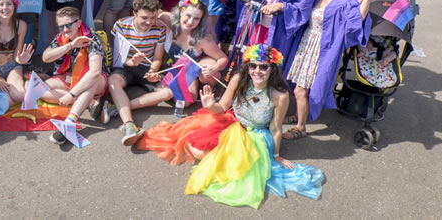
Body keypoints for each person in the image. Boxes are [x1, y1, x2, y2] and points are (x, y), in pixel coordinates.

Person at [136, 45, 324, 208]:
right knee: (193, 145)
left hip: (254, 135)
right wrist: (210, 106)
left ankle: (225, 159)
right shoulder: (239, 79)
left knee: (219, 161)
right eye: (253, 66)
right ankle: (222, 157)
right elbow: (222, 107)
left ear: (272, 69)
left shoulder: (280, 95)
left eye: (263, 67)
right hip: (231, 122)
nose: (257, 71)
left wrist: (276, 156)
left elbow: (275, 128)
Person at [283, 0, 380, 140]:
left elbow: (357, 19)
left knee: (300, 90)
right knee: (298, 85)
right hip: (306, 44)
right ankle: (299, 114)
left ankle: (300, 127)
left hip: (322, 49)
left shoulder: (344, 3)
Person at [104, 0, 167, 144]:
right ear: (134, 12)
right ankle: (129, 125)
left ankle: (116, 107)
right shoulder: (121, 25)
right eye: (144, 18)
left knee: (169, 91)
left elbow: (158, 58)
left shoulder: (159, 29)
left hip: (147, 68)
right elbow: (118, 57)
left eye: (153, 18)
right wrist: (132, 62)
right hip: (126, 66)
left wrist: (152, 71)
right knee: (113, 80)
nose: (149, 22)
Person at [40, 6, 108, 145]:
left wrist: (70, 94)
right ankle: (87, 102)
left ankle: (69, 122)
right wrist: (70, 45)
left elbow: (95, 72)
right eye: (61, 27)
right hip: (70, 77)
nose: (65, 30)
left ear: (78, 23)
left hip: (97, 80)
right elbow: (46, 58)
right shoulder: (61, 38)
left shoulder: (92, 38)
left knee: (91, 83)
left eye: (69, 25)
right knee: (41, 88)